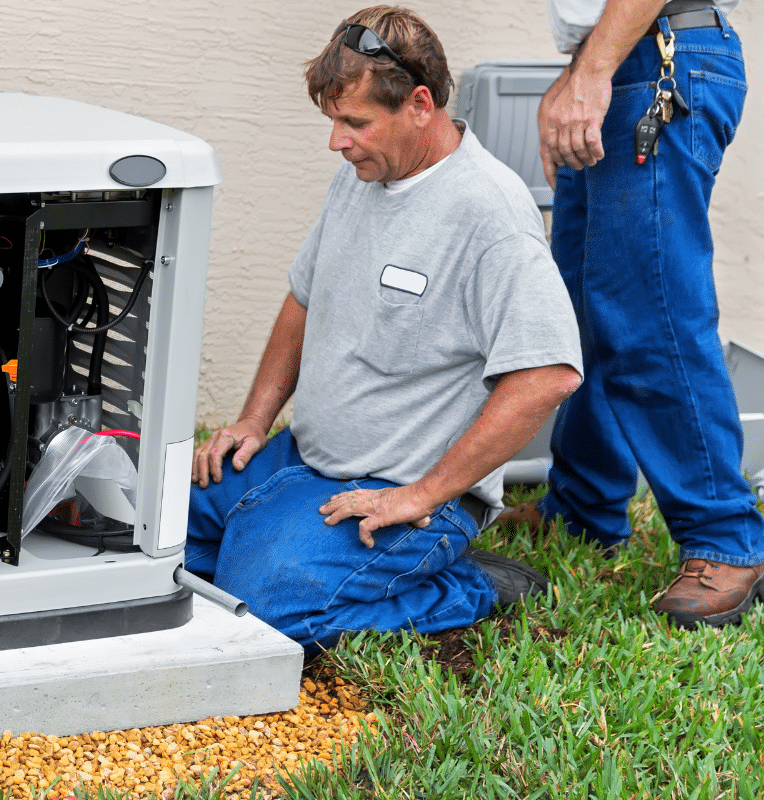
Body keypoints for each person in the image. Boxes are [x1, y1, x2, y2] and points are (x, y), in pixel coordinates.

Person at [190, 6, 585, 652]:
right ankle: (275, 533)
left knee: (265, 612)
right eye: (334, 122)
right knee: (161, 538)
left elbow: (548, 374)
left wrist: (424, 493)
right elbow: (302, 299)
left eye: (355, 123)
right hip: (301, 460)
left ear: (420, 105)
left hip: (403, 494)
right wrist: (254, 420)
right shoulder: (361, 177)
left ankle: (472, 587)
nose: (337, 141)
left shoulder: (488, 212)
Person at [506, 0, 764, 628]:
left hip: (659, 58)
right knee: (587, 308)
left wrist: (591, 72)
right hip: (624, 57)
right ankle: (586, 503)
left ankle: (727, 538)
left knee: (652, 316)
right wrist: (580, 73)